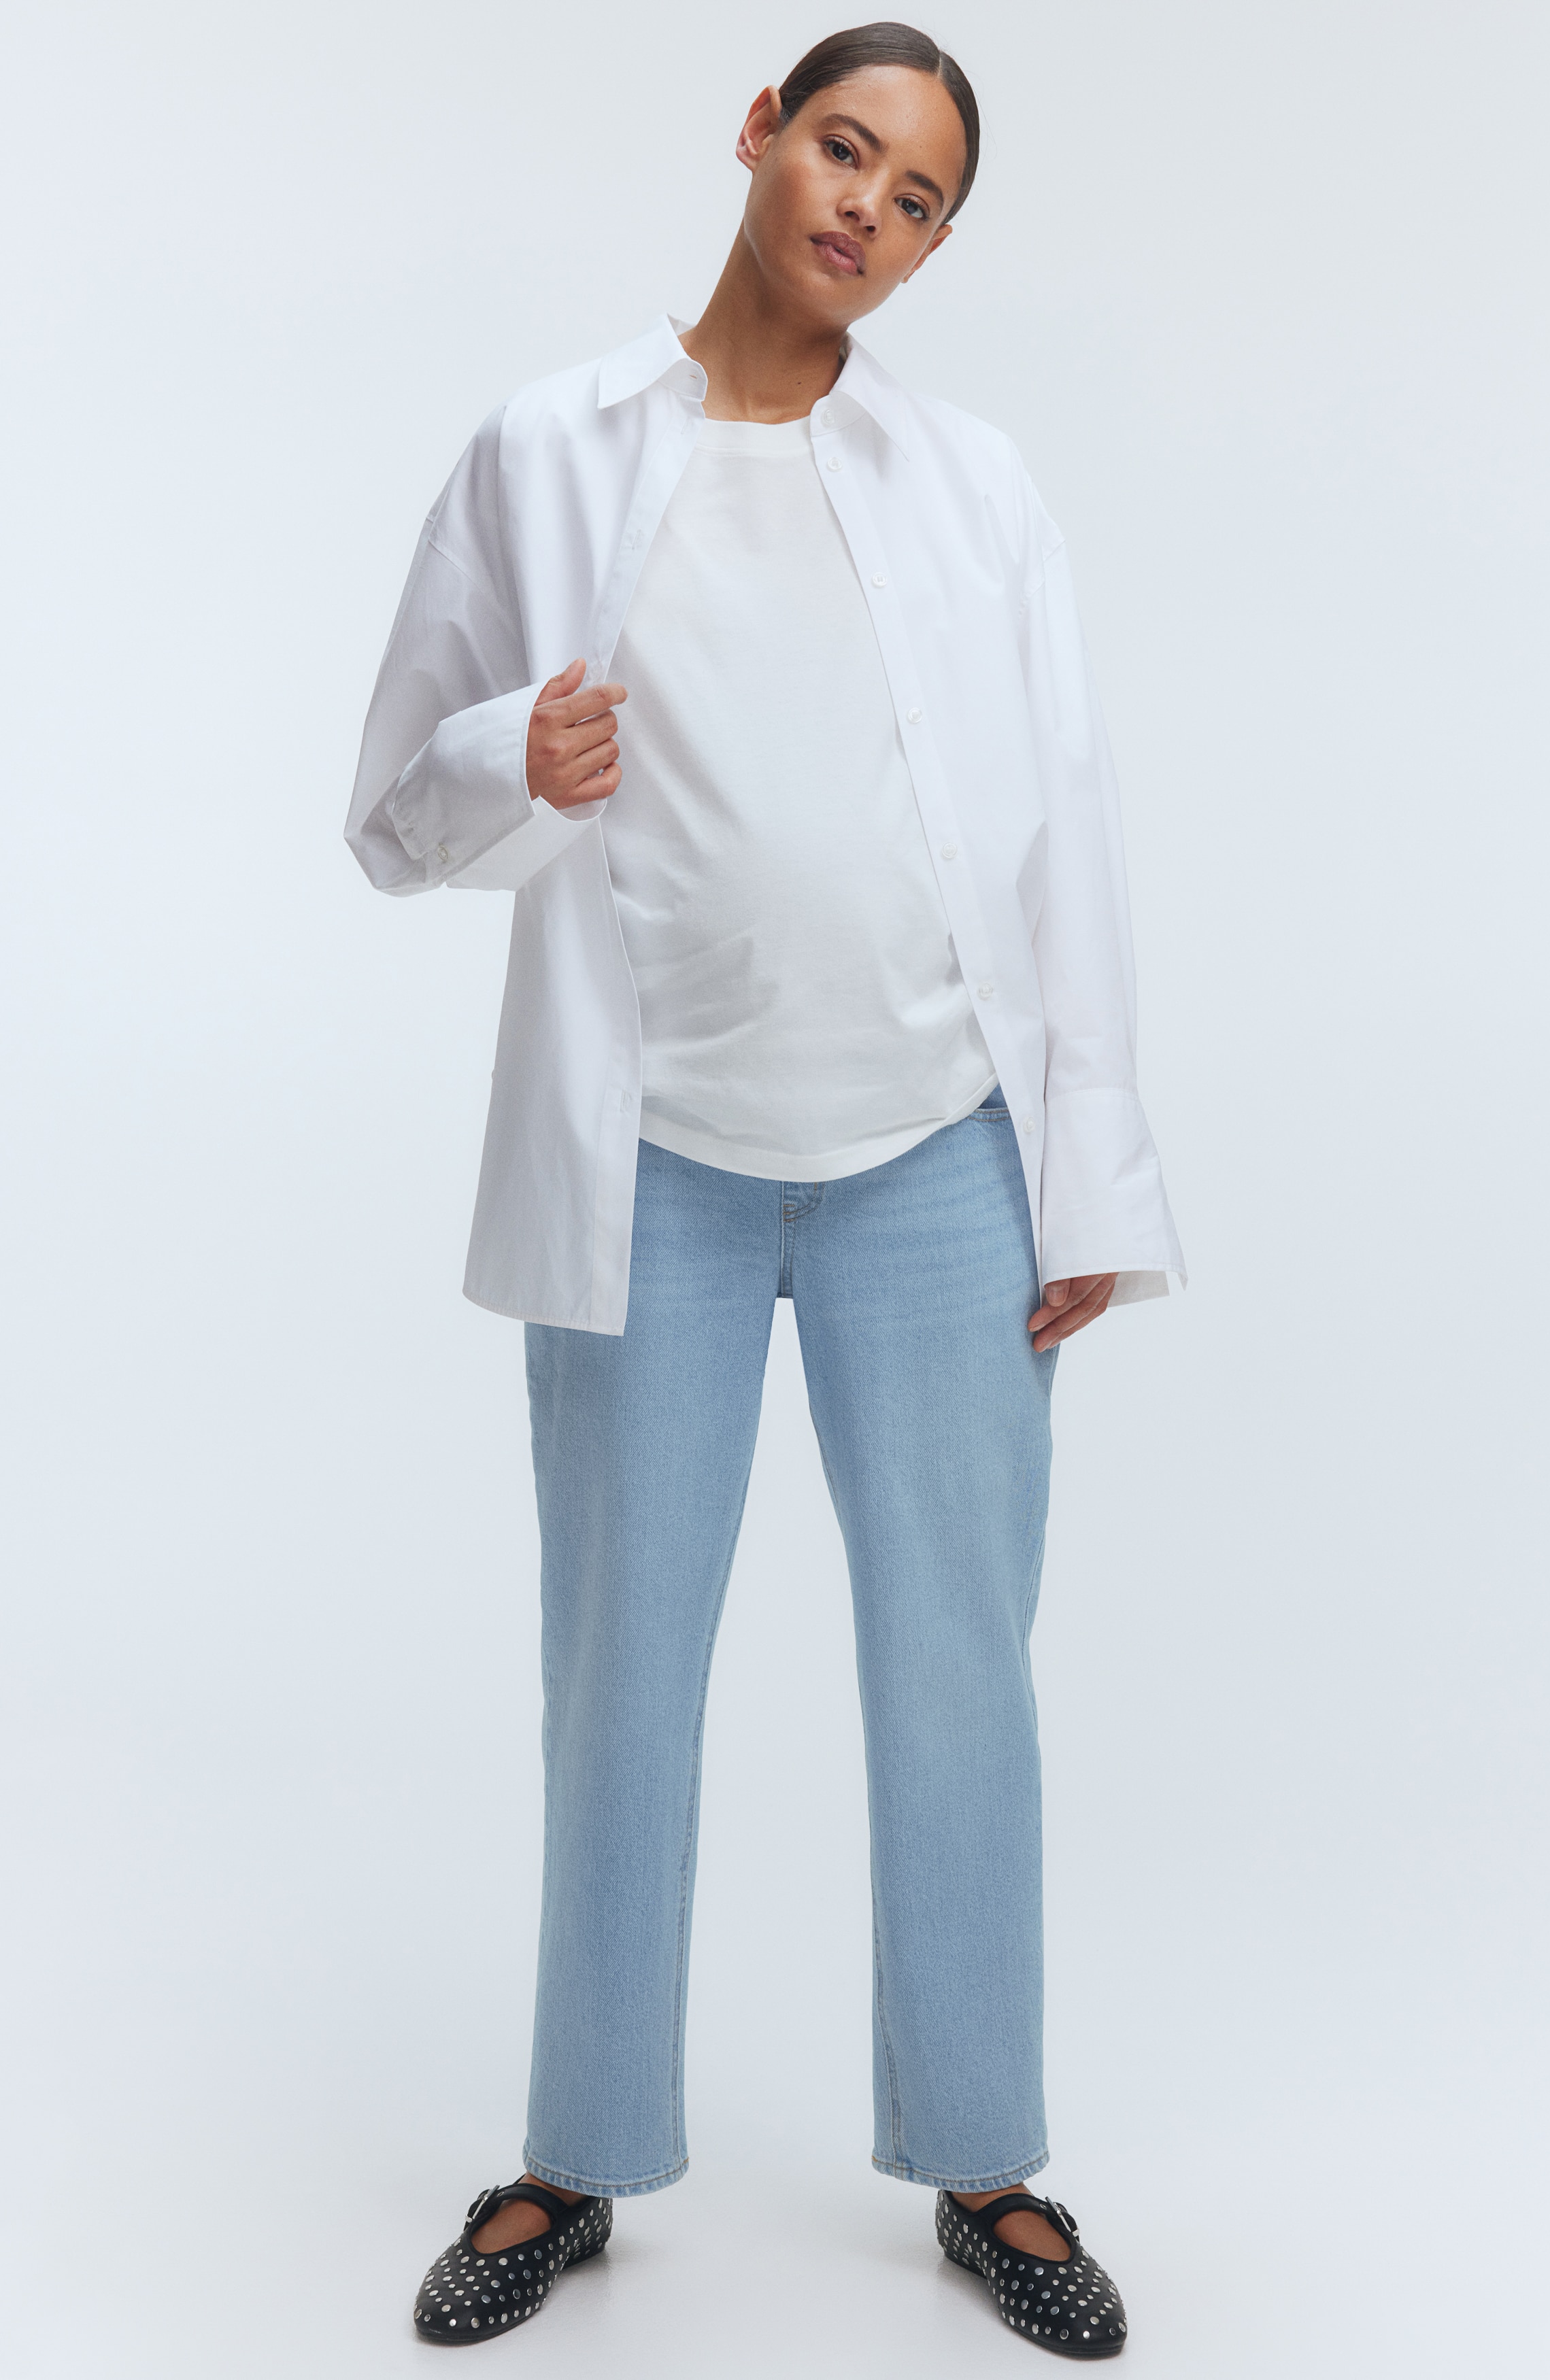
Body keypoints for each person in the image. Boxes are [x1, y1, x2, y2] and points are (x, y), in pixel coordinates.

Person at [348, 20, 1182, 2357]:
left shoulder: (973, 484)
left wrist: (1088, 1175)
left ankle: (989, 2158)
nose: (865, 213)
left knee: (959, 1672)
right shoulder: (546, 449)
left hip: (938, 1159)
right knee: (618, 1672)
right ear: (757, 133)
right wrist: (512, 751)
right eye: (844, 149)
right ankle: (575, 2150)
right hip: (651, 1174)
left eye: (918, 201)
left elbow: (1071, 827)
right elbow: (392, 811)